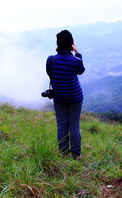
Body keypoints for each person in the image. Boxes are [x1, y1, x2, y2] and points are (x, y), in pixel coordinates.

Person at [46, 30, 85, 160]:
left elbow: (49, 73)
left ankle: (63, 152)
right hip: (75, 97)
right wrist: (77, 52)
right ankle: (76, 154)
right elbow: (81, 71)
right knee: (74, 125)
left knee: (62, 123)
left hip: (59, 97)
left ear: (57, 44)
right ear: (71, 44)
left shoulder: (51, 60)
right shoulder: (75, 61)